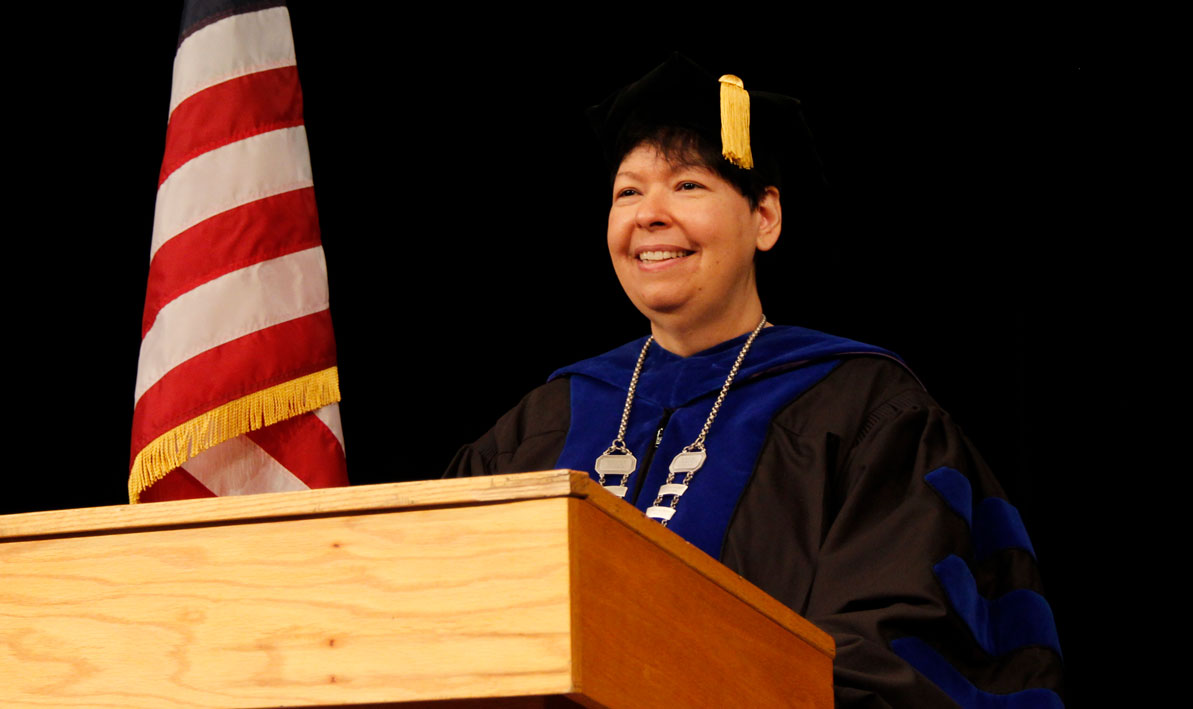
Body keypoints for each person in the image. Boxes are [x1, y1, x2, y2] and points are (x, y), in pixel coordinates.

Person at [446, 54, 1063, 707]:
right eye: (628, 191)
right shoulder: (545, 419)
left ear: (763, 216)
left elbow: (893, 652)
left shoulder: (862, 411)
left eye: (687, 185)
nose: (649, 213)